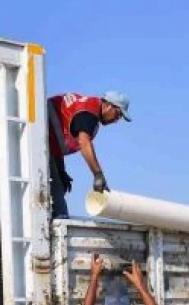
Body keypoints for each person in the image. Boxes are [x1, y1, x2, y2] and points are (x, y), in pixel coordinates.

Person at [47, 91, 131, 219]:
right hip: (38, 139)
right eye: (118, 114)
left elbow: (56, 141)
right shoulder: (89, 113)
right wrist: (98, 175)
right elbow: (84, 143)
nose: (116, 120)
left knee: (56, 190)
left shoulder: (87, 107)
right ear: (109, 106)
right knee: (59, 209)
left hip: (43, 140)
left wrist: (61, 170)